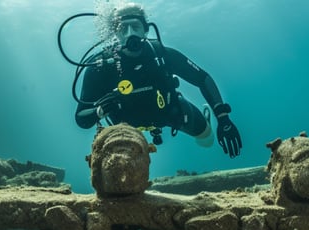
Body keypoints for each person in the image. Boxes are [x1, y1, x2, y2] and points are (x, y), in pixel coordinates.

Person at [75, 2, 242, 158]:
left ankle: (206, 123)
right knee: (121, 168)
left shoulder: (162, 54)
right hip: (124, 129)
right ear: (115, 34)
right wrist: (99, 111)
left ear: (145, 29)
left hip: (172, 114)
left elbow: (202, 78)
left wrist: (223, 118)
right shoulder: (101, 67)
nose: (130, 34)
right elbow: (81, 118)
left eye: (135, 26)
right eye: (122, 28)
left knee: (207, 139)